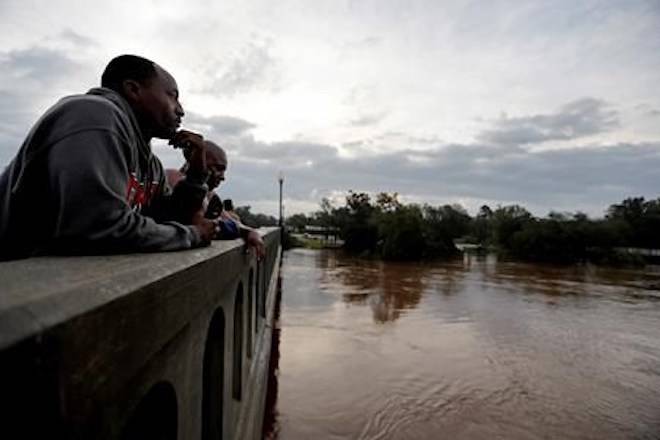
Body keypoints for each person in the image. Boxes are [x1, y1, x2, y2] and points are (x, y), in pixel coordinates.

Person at [0, 55, 216, 260]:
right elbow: (98, 227)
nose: (181, 110)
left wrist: (196, 173)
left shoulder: (150, 164)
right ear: (133, 90)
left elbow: (167, 222)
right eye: (173, 96)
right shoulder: (91, 115)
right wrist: (192, 235)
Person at [166, 140, 265, 259]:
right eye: (218, 168)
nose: (222, 177)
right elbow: (197, 222)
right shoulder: (173, 178)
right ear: (197, 159)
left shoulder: (211, 195)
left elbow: (232, 222)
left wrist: (249, 232)